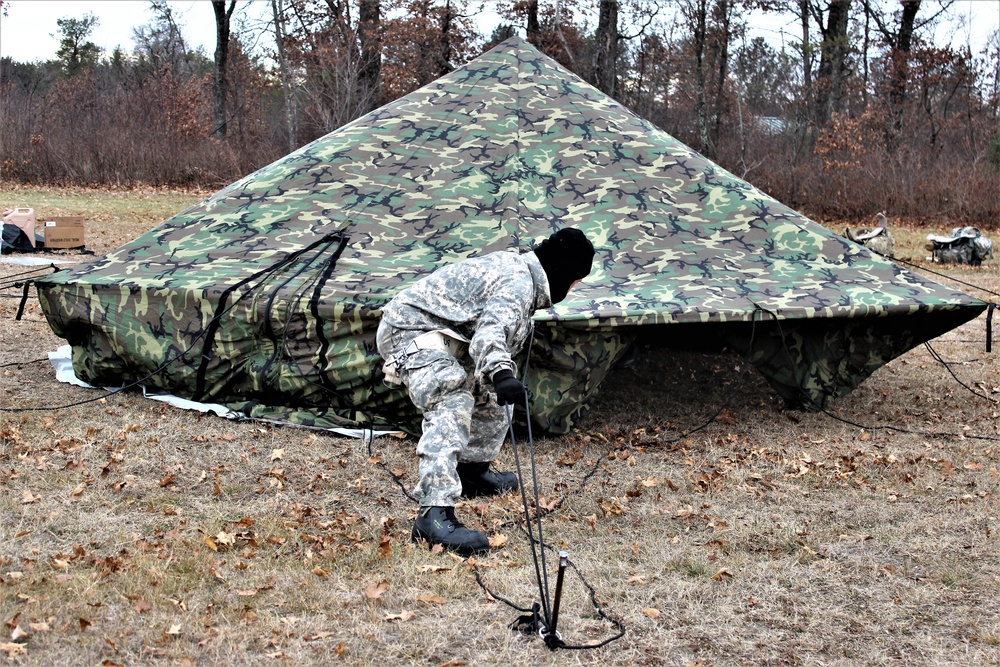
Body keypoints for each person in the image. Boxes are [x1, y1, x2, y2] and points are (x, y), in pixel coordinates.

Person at [376, 227, 596, 556]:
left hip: (447, 335)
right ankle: (433, 516)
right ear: (565, 275)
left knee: (494, 393)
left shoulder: (524, 275)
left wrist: (499, 377)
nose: (574, 288)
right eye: (576, 281)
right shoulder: (519, 283)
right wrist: (501, 371)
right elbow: (490, 332)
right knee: (452, 395)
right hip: (408, 330)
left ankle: (470, 472)